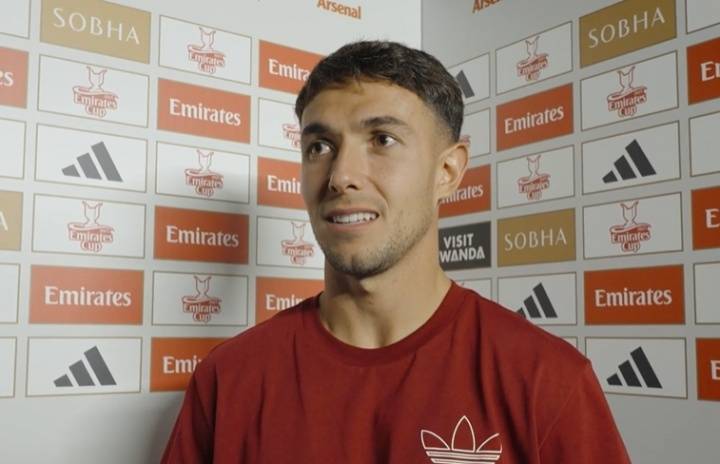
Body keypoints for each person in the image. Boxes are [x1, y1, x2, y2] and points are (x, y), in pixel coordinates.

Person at [161, 40, 630, 463]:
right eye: (319, 146)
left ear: (447, 172)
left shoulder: (546, 380)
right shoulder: (228, 379)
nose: (341, 176)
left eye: (382, 140)